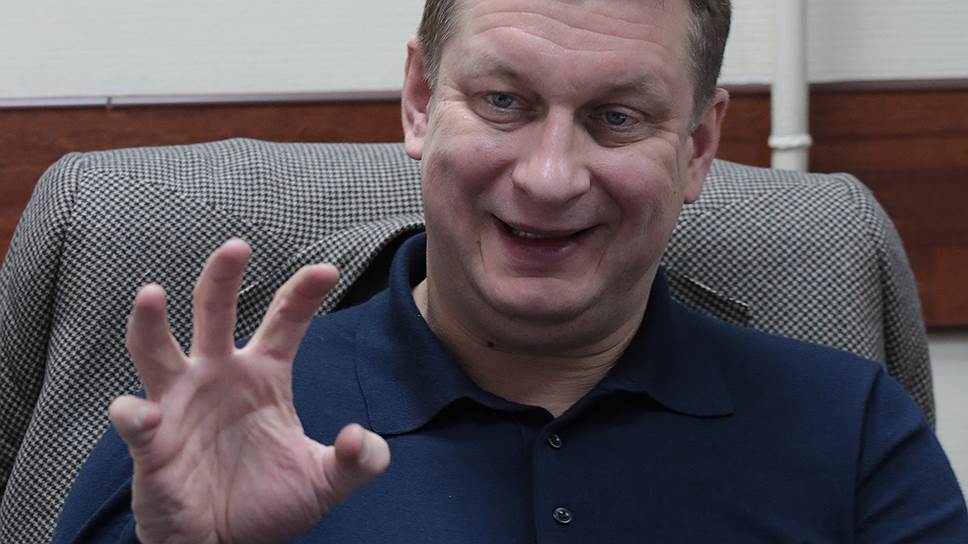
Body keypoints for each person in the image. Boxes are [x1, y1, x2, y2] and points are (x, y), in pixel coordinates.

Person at [54, 0, 968, 542]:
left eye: (617, 117)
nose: (550, 177)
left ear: (696, 147)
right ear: (420, 101)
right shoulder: (211, 427)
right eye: (503, 101)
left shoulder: (852, 432)